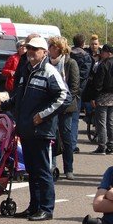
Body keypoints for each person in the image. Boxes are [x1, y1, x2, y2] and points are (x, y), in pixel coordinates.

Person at [0, 36, 68, 221]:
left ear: (44, 52)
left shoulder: (49, 71)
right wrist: (3, 106)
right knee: (32, 171)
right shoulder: (26, 69)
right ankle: (34, 206)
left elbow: (64, 97)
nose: (31, 52)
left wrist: (42, 115)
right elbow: (19, 96)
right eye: (29, 48)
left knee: (42, 170)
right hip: (26, 128)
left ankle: (46, 208)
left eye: (35, 49)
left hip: (41, 130)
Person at [48, 36, 80, 179]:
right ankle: (52, 167)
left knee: (66, 137)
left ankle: (69, 168)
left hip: (66, 107)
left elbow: (74, 87)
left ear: (58, 48)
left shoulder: (70, 63)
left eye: (51, 47)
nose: (48, 49)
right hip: (50, 106)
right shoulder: (47, 63)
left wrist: (62, 102)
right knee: (51, 136)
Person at [86, 44, 113, 154]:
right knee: (111, 121)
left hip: (103, 96)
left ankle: (102, 146)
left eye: (103, 52)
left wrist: (93, 97)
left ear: (108, 52)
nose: (102, 54)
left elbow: (98, 83)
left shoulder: (103, 64)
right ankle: (111, 145)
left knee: (101, 122)